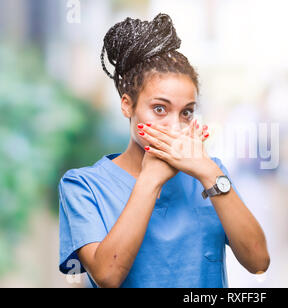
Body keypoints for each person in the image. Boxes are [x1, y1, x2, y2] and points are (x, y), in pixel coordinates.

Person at [58, 13, 269, 288]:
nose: (174, 125)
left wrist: (210, 172)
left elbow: (258, 262)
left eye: (187, 112)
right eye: (160, 108)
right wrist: (150, 178)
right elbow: (107, 276)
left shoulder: (210, 173)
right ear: (127, 106)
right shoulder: (83, 185)